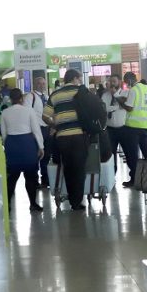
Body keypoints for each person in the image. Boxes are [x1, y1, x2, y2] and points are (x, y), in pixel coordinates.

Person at [43, 69, 87, 210]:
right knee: (79, 168)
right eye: (79, 78)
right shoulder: (81, 91)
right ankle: (77, 202)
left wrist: (55, 124)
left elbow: (45, 116)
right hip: (79, 135)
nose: (80, 81)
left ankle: (72, 199)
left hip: (62, 137)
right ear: (74, 78)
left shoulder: (55, 94)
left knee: (68, 168)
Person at [1, 89, 45, 212]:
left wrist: (8, 147)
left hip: (12, 144)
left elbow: (4, 134)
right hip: (28, 144)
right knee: (30, 177)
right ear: (21, 98)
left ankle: (8, 205)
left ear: (10, 99)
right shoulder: (29, 111)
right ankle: (32, 203)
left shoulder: (5, 112)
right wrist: (41, 147)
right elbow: (36, 130)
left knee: (11, 178)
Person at [119, 72, 147, 188]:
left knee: (132, 155)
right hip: (145, 126)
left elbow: (129, 108)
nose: (125, 84)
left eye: (125, 81)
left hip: (133, 127)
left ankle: (135, 179)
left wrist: (121, 101)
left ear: (129, 79)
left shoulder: (134, 90)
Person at [24, 77, 50, 187]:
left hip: (46, 129)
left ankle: (45, 180)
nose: (42, 85)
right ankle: (34, 181)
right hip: (36, 129)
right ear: (35, 84)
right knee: (36, 155)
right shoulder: (30, 96)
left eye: (44, 83)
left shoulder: (47, 97)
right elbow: (26, 113)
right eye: (39, 83)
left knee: (47, 155)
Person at [102, 75, 130, 173]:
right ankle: (112, 174)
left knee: (128, 152)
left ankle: (133, 175)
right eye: (110, 81)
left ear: (120, 82)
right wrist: (115, 108)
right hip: (110, 129)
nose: (112, 83)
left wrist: (116, 95)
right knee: (111, 153)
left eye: (114, 81)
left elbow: (124, 106)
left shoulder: (125, 93)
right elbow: (104, 109)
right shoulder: (105, 95)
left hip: (123, 128)